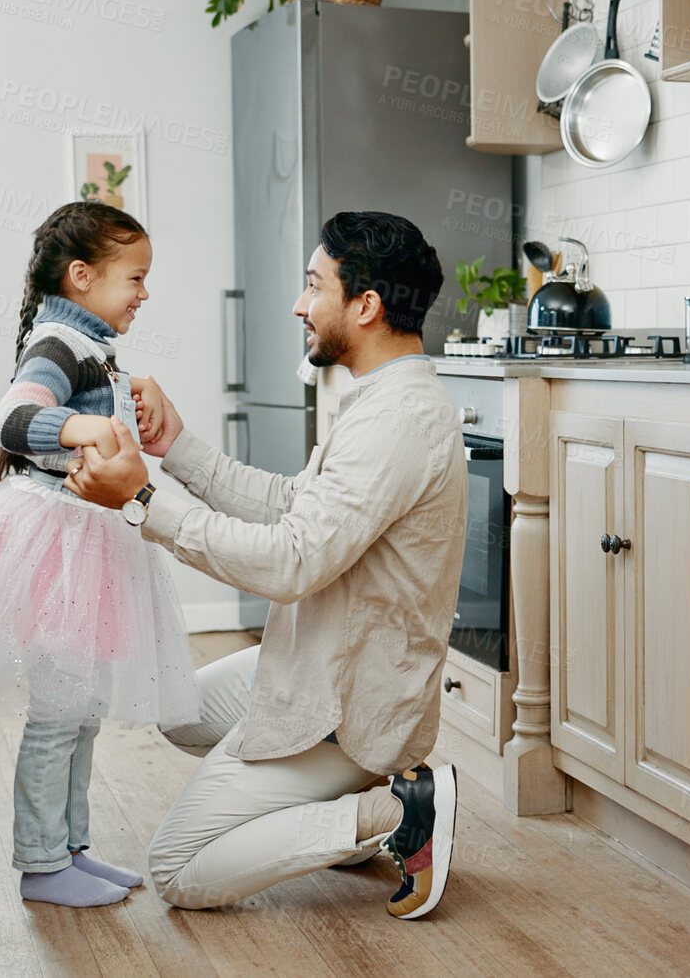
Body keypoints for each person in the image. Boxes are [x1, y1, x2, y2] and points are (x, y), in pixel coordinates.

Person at [64, 210, 467, 919]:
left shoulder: (399, 418)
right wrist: (176, 446)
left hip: (348, 703)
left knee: (178, 868)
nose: (297, 304)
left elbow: (290, 562)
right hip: (320, 658)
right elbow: (294, 506)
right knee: (178, 711)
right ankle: (349, 802)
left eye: (314, 286)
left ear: (365, 306)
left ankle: (392, 809)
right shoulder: (378, 397)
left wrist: (142, 500)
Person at [0, 201, 199, 908]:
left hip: (88, 538)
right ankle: (42, 860)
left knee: (81, 706)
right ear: (82, 276)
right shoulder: (57, 342)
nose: (144, 293)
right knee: (59, 710)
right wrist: (88, 427)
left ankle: (70, 847)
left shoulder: (92, 344)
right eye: (134, 278)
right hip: (60, 546)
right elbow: (14, 419)